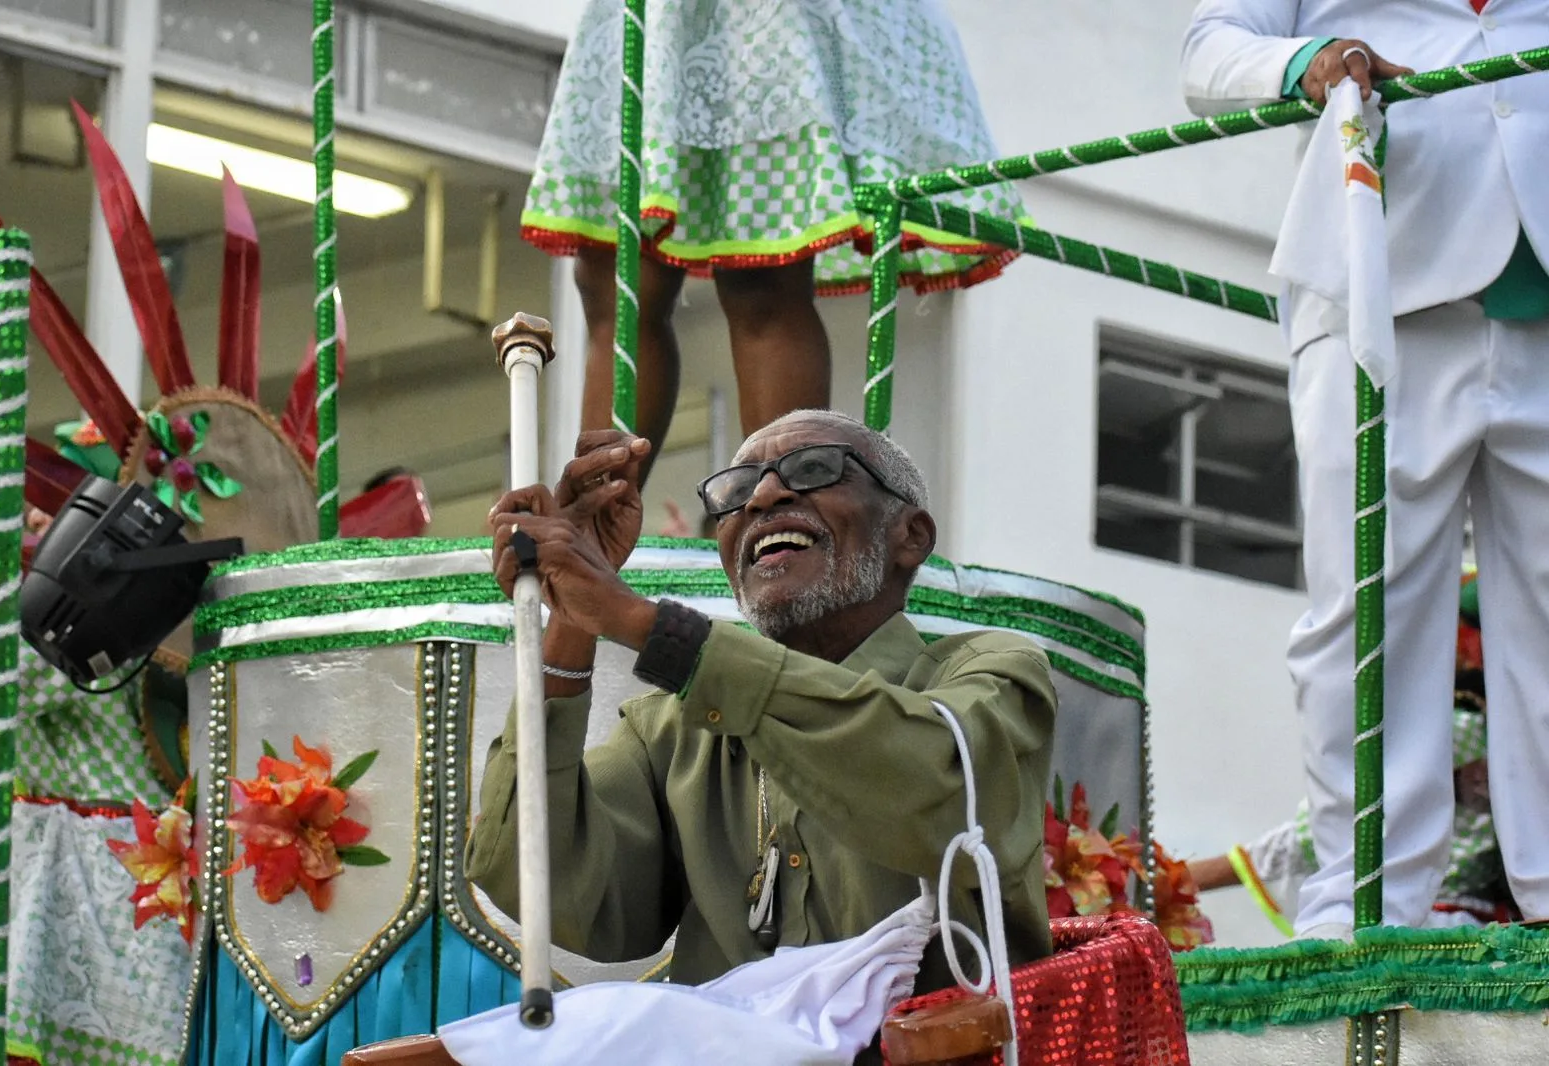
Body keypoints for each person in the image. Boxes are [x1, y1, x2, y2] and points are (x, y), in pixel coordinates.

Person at [467, 409, 1056, 1060]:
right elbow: (549, 887)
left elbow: (934, 790)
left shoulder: (988, 672)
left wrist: (644, 623)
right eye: (737, 490)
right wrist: (571, 613)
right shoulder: (669, 731)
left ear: (909, 536)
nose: (767, 495)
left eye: (814, 470)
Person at [1181, 2, 1549, 939]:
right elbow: (1209, 49)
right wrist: (1309, 59)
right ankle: (1364, 905)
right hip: (1378, 274)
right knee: (1366, 604)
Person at [524, 0, 1028, 479]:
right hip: (658, 19)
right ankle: (593, 525)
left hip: (764, 23)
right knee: (615, 278)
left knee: (762, 269)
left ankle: (784, 522)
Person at [1189, 575, 1510, 933]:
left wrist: (1182, 879)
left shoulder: (1450, 727)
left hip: (1421, 926)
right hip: (1487, 932)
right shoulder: (1503, 727)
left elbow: (1330, 829)